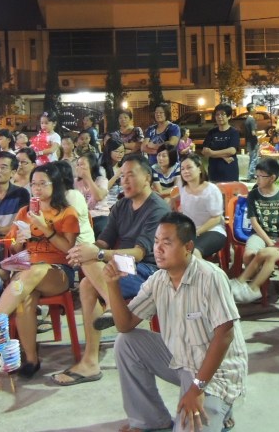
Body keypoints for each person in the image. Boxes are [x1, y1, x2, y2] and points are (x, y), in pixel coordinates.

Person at [106, 212, 247, 432]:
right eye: (156, 241)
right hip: (182, 360)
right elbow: (125, 325)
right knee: (126, 342)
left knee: (192, 424)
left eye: (167, 242)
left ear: (188, 247)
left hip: (216, 375)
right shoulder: (158, 280)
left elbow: (225, 335)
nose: (158, 249)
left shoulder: (210, 277)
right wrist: (112, 285)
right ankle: (150, 420)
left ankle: (222, 409)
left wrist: (197, 389)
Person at [56, 155, 170, 386]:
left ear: (147, 178)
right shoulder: (121, 205)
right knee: (87, 273)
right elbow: (104, 242)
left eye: (131, 175)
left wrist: (96, 254)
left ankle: (92, 357)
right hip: (124, 266)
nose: (124, 181)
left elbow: (139, 253)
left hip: (150, 269)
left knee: (89, 276)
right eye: (122, 176)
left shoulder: (157, 208)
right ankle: (94, 352)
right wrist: (85, 250)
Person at [0, 163, 81, 378]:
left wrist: (45, 228)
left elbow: (68, 249)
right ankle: (31, 359)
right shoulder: (25, 212)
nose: (37, 188)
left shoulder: (67, 213)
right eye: (33, 184)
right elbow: (14, 248)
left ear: (55, 185)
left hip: (58, 272)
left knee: (32, 273)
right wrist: (19, 241)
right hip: (27, 271)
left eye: (42, 183)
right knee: (25, 298)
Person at [243, 158, 279, 266]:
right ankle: (260, 275)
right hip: (259, 235)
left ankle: (265, 273)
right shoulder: (253, 195)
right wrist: (269, 242)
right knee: (248, 256)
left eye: (261, 176)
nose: (257, 180)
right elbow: (254, 222)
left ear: (272, 178)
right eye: (256, 176)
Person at [177, 153, 226, 260]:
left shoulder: (211, 190)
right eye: (182, 169)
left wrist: (197, 231)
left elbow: (216, 218)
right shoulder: (182, 186)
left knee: (194, 252)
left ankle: (201, 271)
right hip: (190, 230)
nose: (185, 171)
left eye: (189, 167)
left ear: (199, 169)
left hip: (212, 230)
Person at [74, 152, 110, 239]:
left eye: (82, 164)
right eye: (77, 165)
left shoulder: (101, 180)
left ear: (91, 166)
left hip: (100, 216)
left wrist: (88, 178)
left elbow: (99, 197)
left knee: (100, 229)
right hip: (83, 218)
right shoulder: (75, 182)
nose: (78, 167)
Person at [201, 103, 240, 183]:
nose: (219, 117)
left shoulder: (234, 132)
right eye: (217, 114)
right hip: (214, 171)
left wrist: (212, 153)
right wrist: (223, 156)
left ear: (229, 116)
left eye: (223, 114)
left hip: (229, 171)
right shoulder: (212, 132)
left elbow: (232, 151)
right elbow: (204, 151)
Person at [244, 103, 259, 182]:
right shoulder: (252, 120)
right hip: (253, 142)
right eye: (255, 107)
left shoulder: (247, 119)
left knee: (252, 158)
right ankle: (250, 175)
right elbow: (253, 133)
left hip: (249, 142)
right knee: (254, 159)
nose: (256, 108)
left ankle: (251, 175)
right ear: (251, 109)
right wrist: (260, 133)